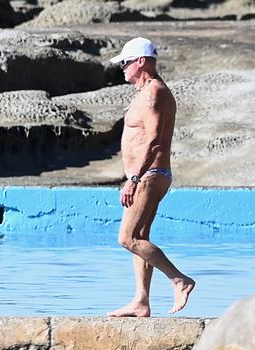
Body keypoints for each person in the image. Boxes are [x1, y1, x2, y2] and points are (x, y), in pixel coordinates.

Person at [107, 37, 195, 317]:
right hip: (150, 174)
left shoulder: (154, 93)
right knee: (141, 236)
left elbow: (154, 140)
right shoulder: (150, 91)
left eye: (125, 62)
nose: (122, 68)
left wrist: (133, 178)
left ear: (141, 61)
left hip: (148, 174)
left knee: (127, 237)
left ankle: (179, 279)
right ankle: (141, 301)